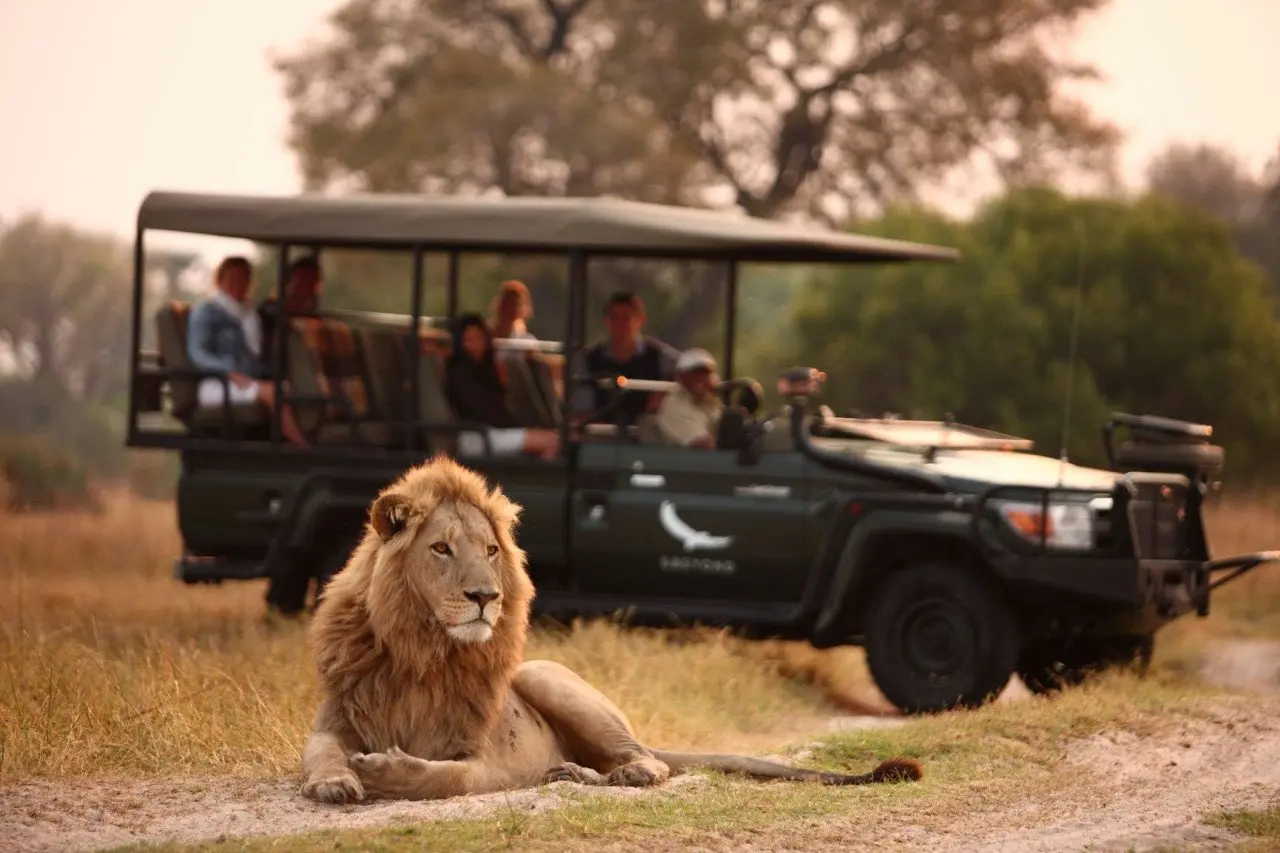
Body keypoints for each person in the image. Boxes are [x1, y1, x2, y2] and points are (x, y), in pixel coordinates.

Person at [186, 255, 309, 448]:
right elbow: (198, 354)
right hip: (218, 383)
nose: (238, 284)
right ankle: (302, 447)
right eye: (233, 278)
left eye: (244, 279)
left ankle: (293, 440)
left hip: (247, 380)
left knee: (289, 388)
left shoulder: (249, 314)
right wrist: (228, 372)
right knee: (273, 392)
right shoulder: (207, 312)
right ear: (220, 280)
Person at [444, 312, 560, 459]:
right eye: (469, 340)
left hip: (496, 432)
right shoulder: (459, 372)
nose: (476, 345)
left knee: (555, 438)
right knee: (553, 441)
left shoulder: (486, 367)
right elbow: (480, 411)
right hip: (477, 436)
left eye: (480, 338)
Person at [570, 291, 679, 425]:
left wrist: (663, 395)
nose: (620, 324)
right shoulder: (586, 359)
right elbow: (582, 408)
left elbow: (686, 374)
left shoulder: (661, 357)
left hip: (648, 437)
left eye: (627, 318)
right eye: (614, 317)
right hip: (598, 436)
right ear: (605, 321)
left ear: (641, 320)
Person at [655, 348, 725, 449]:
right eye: (694, 373)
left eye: (705, 373)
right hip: (681, 463)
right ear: (680, 376)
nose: (700, 378)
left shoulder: (713, 405)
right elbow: (703, 445)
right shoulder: (674, 407)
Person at [258, 255, 323, 364]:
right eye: (303, 280)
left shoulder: (312, 314)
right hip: (273, 370)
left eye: (313, 281)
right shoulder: (270, 310)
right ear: (290, 280)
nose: (308, 286)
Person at [489, 278, 538, 362]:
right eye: (506, 303)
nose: (509, 309)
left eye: (514, 304)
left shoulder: (526, 342)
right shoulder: (484, 334)